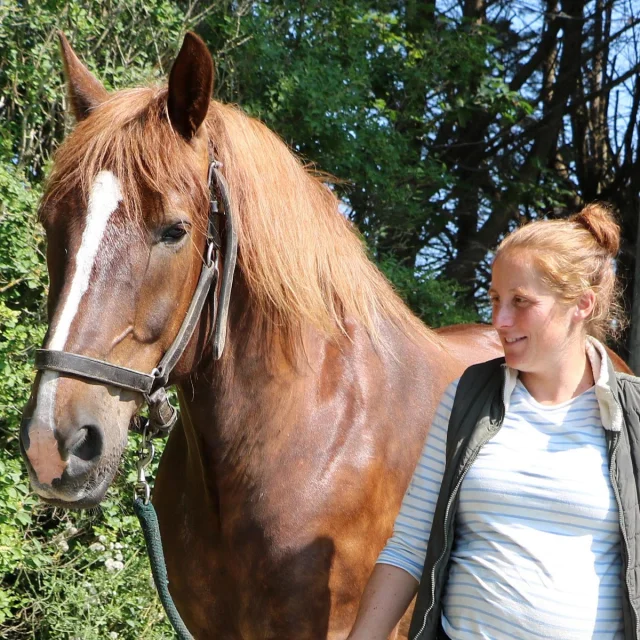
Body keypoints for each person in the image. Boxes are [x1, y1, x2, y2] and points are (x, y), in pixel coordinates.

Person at [348, 203, 640, 640]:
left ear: (582, 304)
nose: (500, 321)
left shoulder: (632, 414)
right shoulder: (468, 398)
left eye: (521, 302)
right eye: (495, 299)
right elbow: (408, 546)